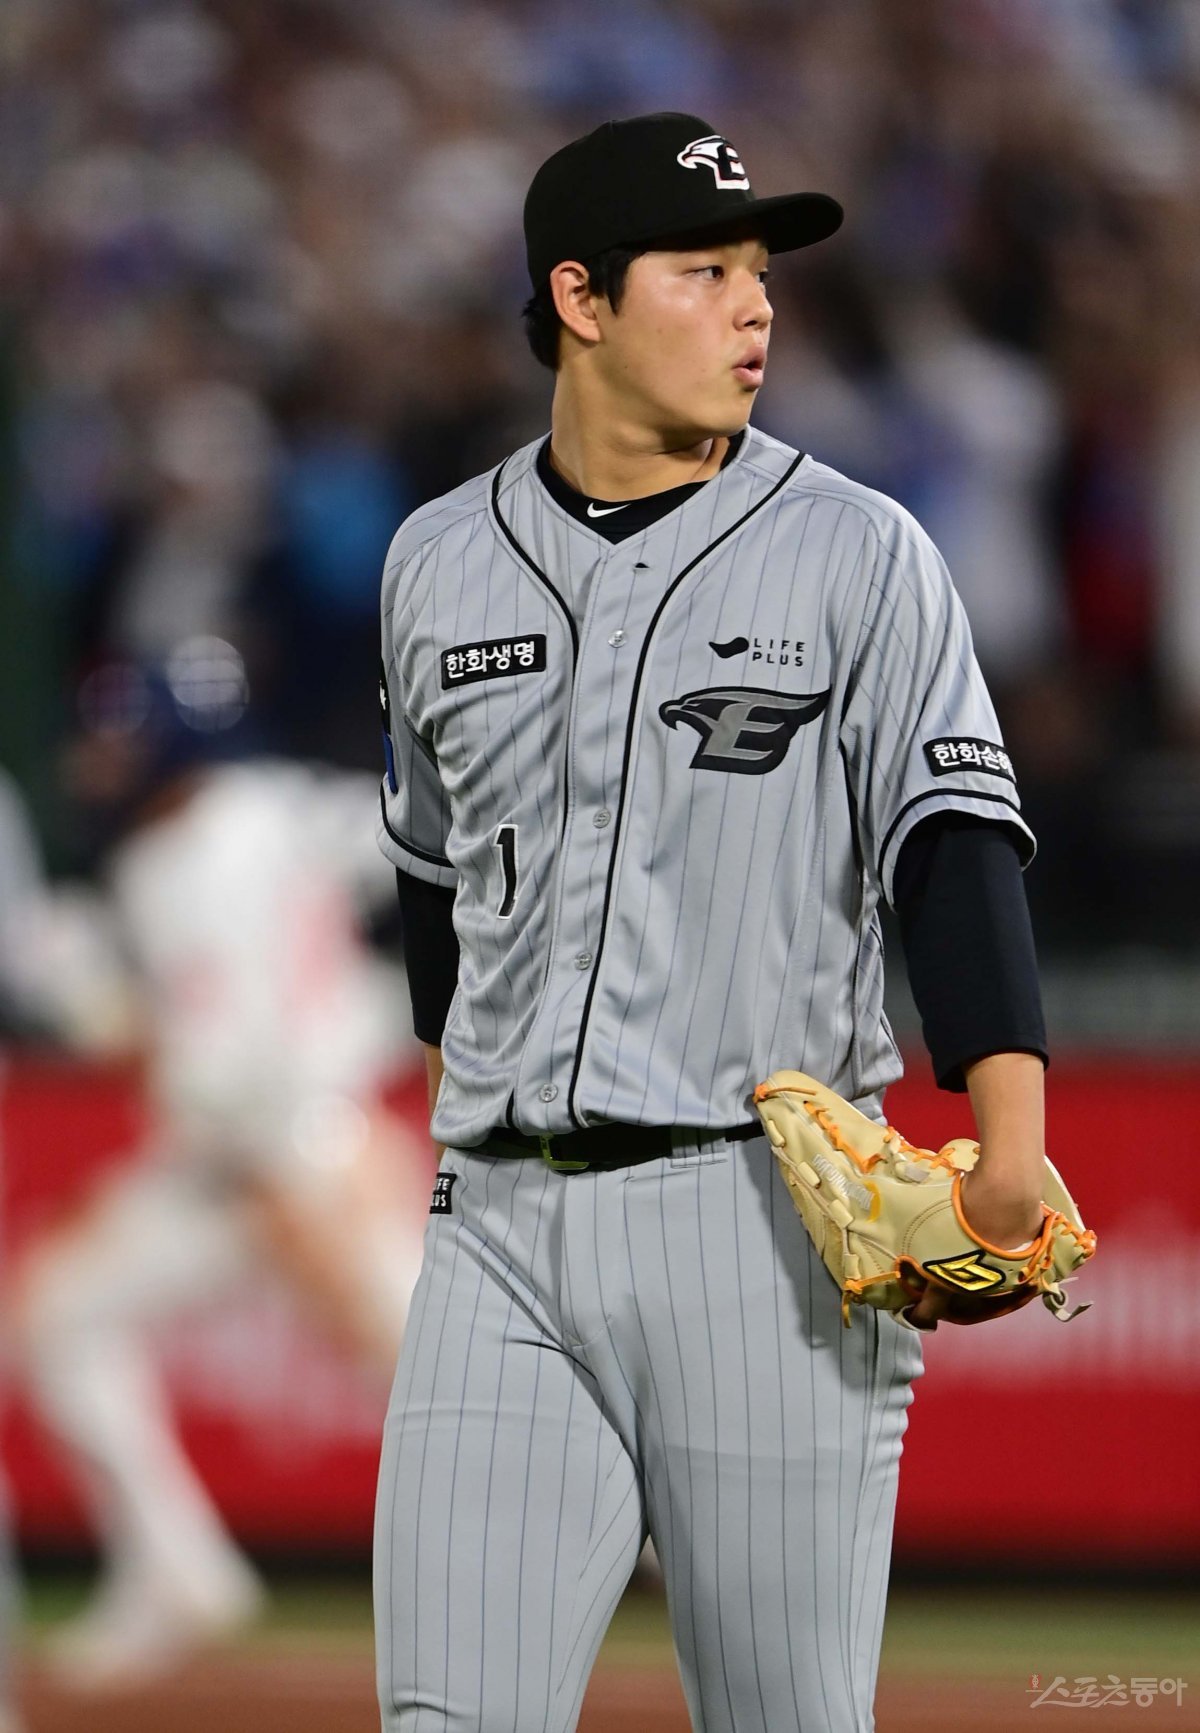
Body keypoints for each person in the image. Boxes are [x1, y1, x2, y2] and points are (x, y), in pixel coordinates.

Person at [373, 113, 1049, 1732]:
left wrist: (1010, 1141)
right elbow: (432, 885)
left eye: (761, 274)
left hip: (760, 1227)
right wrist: (468, 1110)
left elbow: (953, 845)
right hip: (497, 1234)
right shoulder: (437, 561)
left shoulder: (858, 552)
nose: (757, 307)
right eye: (706, 271)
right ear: (582, 298)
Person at [9, 642, 430, 1691]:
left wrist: (117, 1021)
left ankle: (666, 1547)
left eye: (116, 740)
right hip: (261, 1149)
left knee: (457, 1386)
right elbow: (400, 829)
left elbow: (223, 1067)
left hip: (299, 1155)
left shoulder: (178, 859)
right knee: (55, 1318)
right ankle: (176, 1569)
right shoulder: (275, 799)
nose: (98, 763)